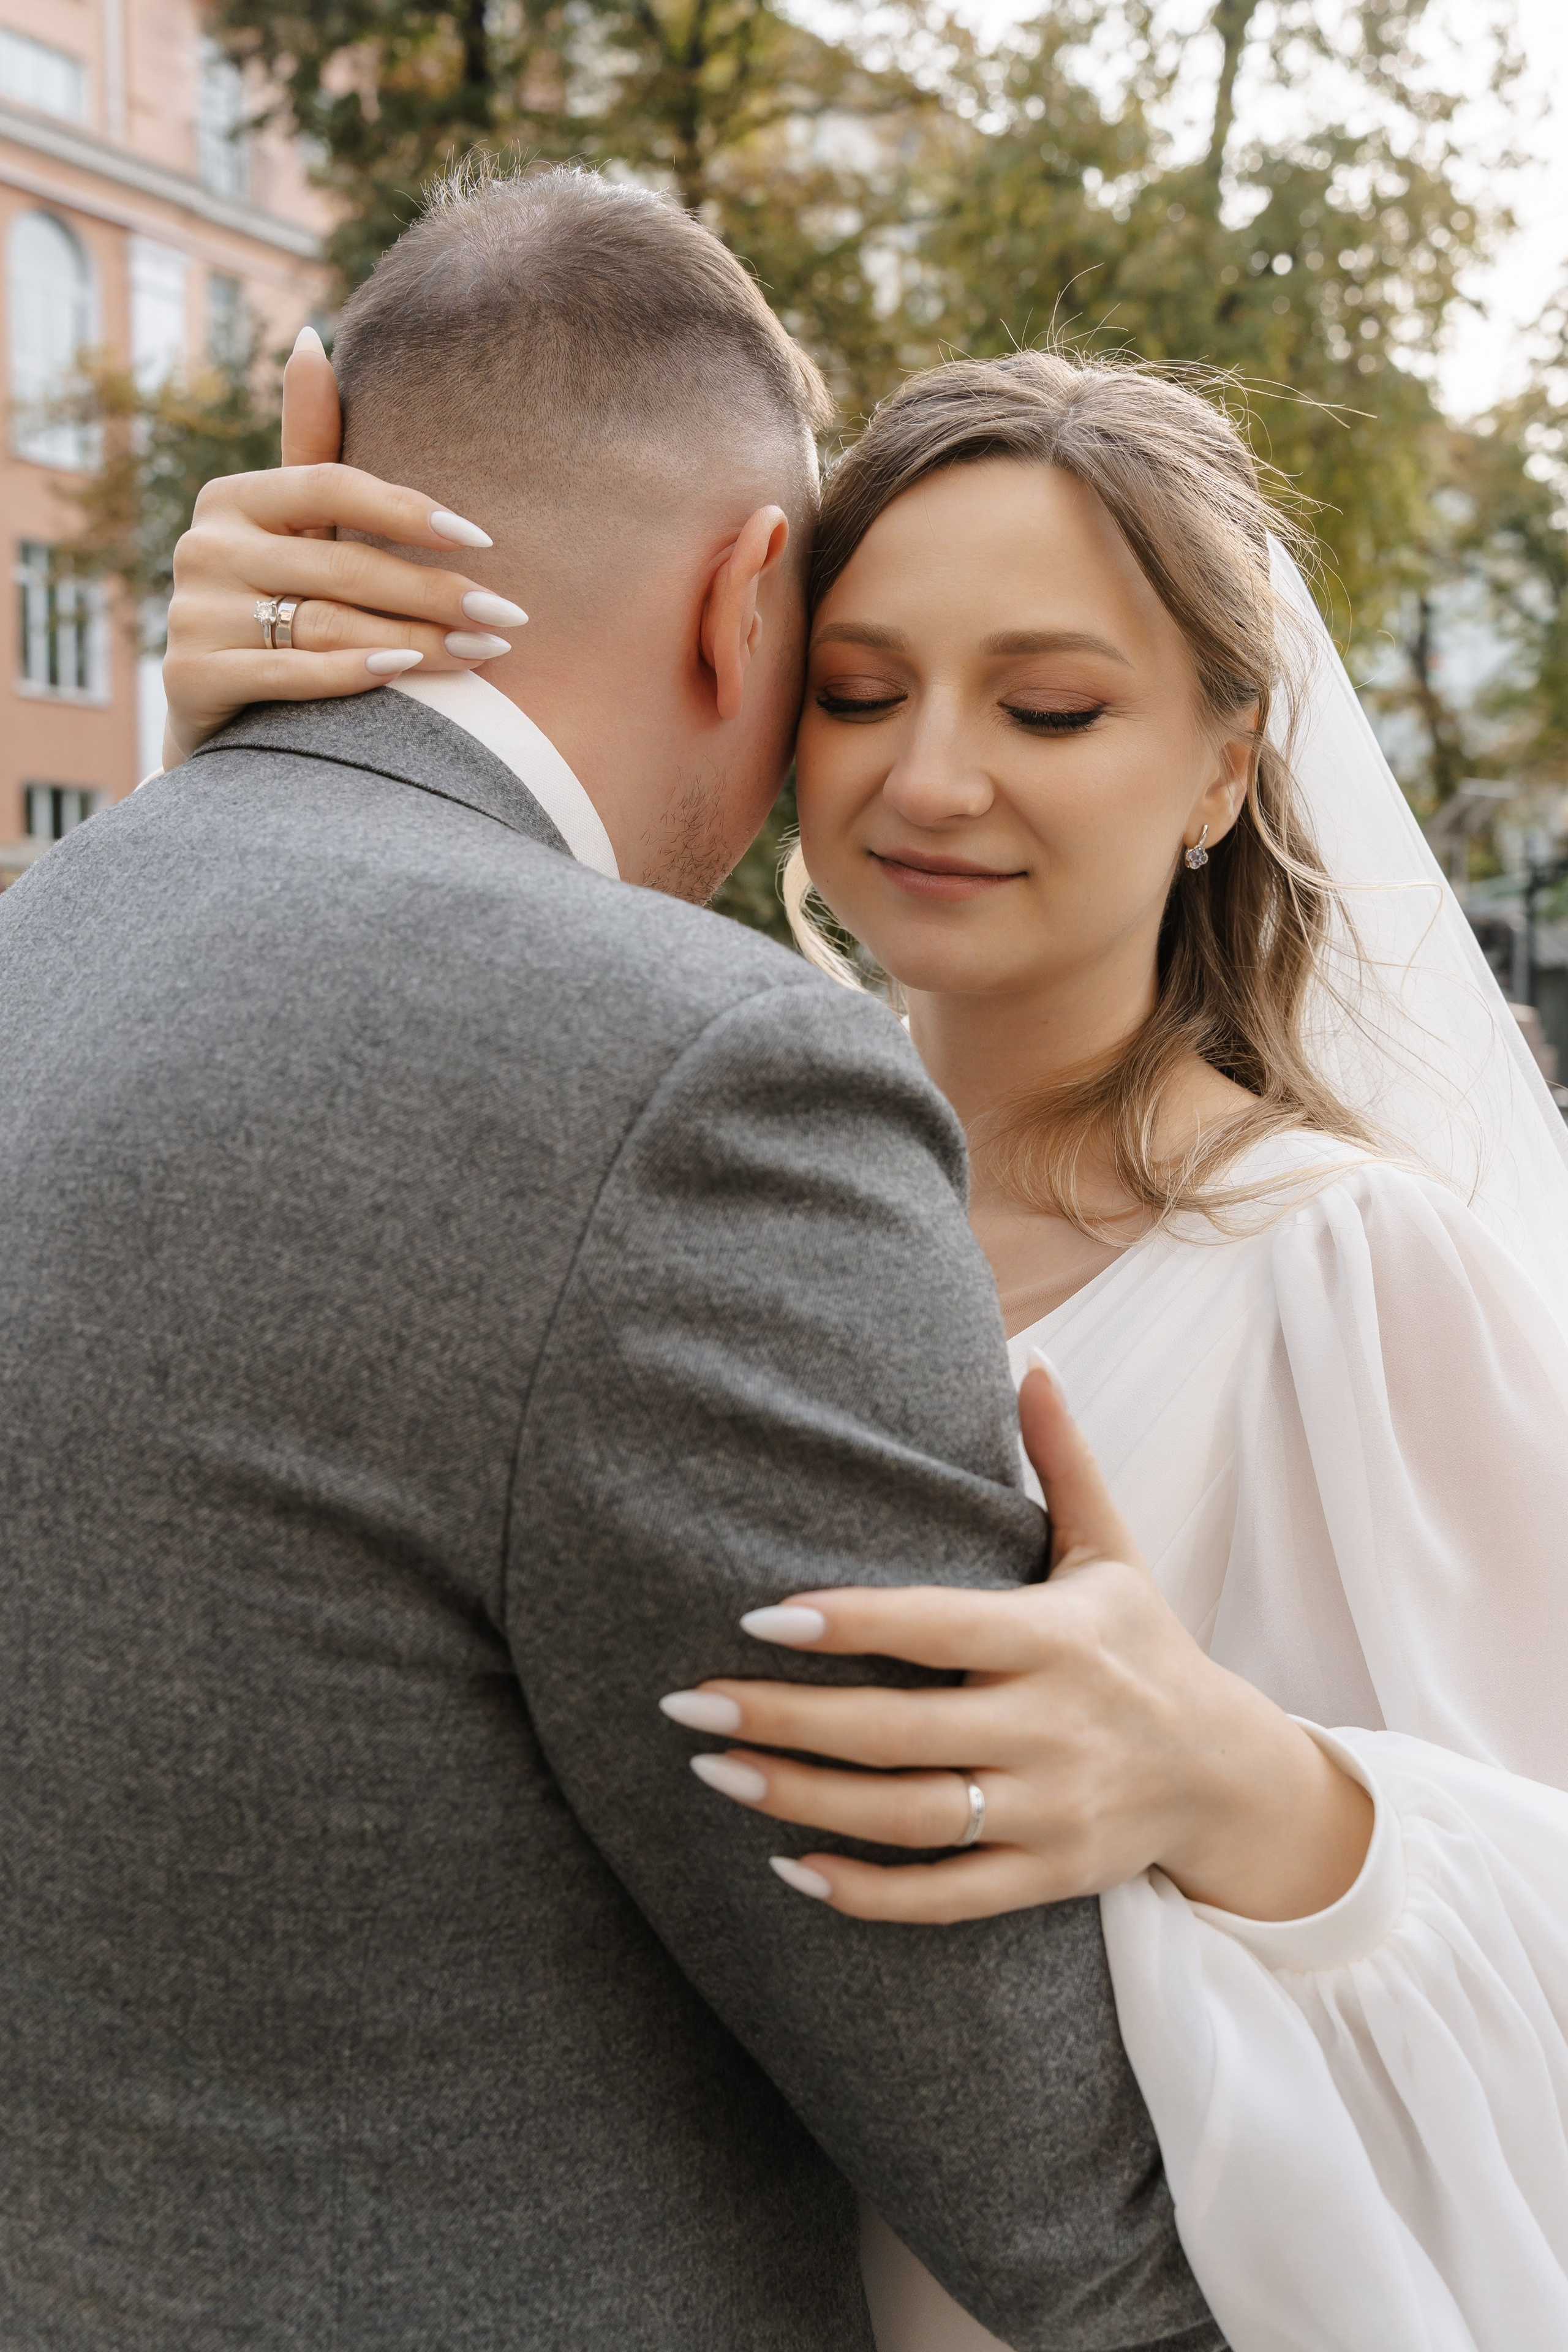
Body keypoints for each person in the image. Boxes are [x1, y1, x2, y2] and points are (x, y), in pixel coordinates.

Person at [165, 327, 1568, 2352]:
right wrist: (263, 758)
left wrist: (1249, 1789)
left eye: (1054, 705)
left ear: (1222, 764)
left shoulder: (1352, 1272)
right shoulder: (671, 1183)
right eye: (859, 691)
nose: (928, 778)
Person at [0, 168, 1225, 2352]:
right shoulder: (703, 1079)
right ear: (753, 596)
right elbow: (1077, 2212)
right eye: (847, 679)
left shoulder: (47, 939)